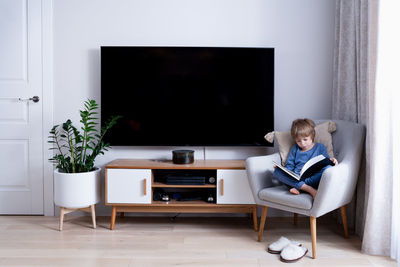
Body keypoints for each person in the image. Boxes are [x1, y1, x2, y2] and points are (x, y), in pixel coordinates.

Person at [273, 119, 338, 199]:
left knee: (328, 168)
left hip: (312, 179)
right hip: (296, 177)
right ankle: (309, 189)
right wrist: (283, 170)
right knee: (277, 172)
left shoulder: (320, 147)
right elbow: (289, 166)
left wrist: (332, 161)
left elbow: (325, 161)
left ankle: (300, 187)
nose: (302, 143)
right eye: (298, 141)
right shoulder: (295, 149)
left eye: (305, 139)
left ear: (312, 136)